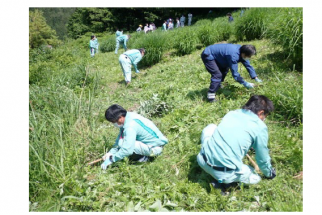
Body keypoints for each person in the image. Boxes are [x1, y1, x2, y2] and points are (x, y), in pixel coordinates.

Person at [197, 95, 276, 193]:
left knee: (211, 127)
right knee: (255, 178)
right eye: (265, 116)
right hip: (223, 173)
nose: (264, 119)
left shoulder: (233, 113)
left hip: (202, 159)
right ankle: (224, 184)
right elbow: (262, 158)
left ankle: (217, 173)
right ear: (261, 113)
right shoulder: (260, 127)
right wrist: (269, 173)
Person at [101, 104, 169, 170]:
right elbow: (120, 138)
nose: (113, 123)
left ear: (120, 117)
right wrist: (111, 152)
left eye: (113, 121)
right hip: (152, 143)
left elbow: (127, 150)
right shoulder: (128, 117)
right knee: (122, 143)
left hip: (156, 147)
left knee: (126, 145)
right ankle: (142, 154)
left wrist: (112, 159)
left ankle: (143, 158)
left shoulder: (130, 126)